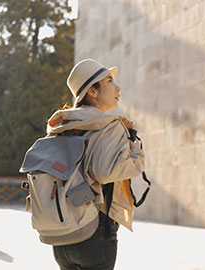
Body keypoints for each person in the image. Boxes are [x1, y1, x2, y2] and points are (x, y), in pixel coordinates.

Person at [46, 59, 145, 270]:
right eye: (109, 80)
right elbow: (105, 172)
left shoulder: (63, 126)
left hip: (61, 232)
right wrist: (136, 152)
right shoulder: (109, 127)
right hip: (94, 230)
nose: (117, 87)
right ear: (93, 91)